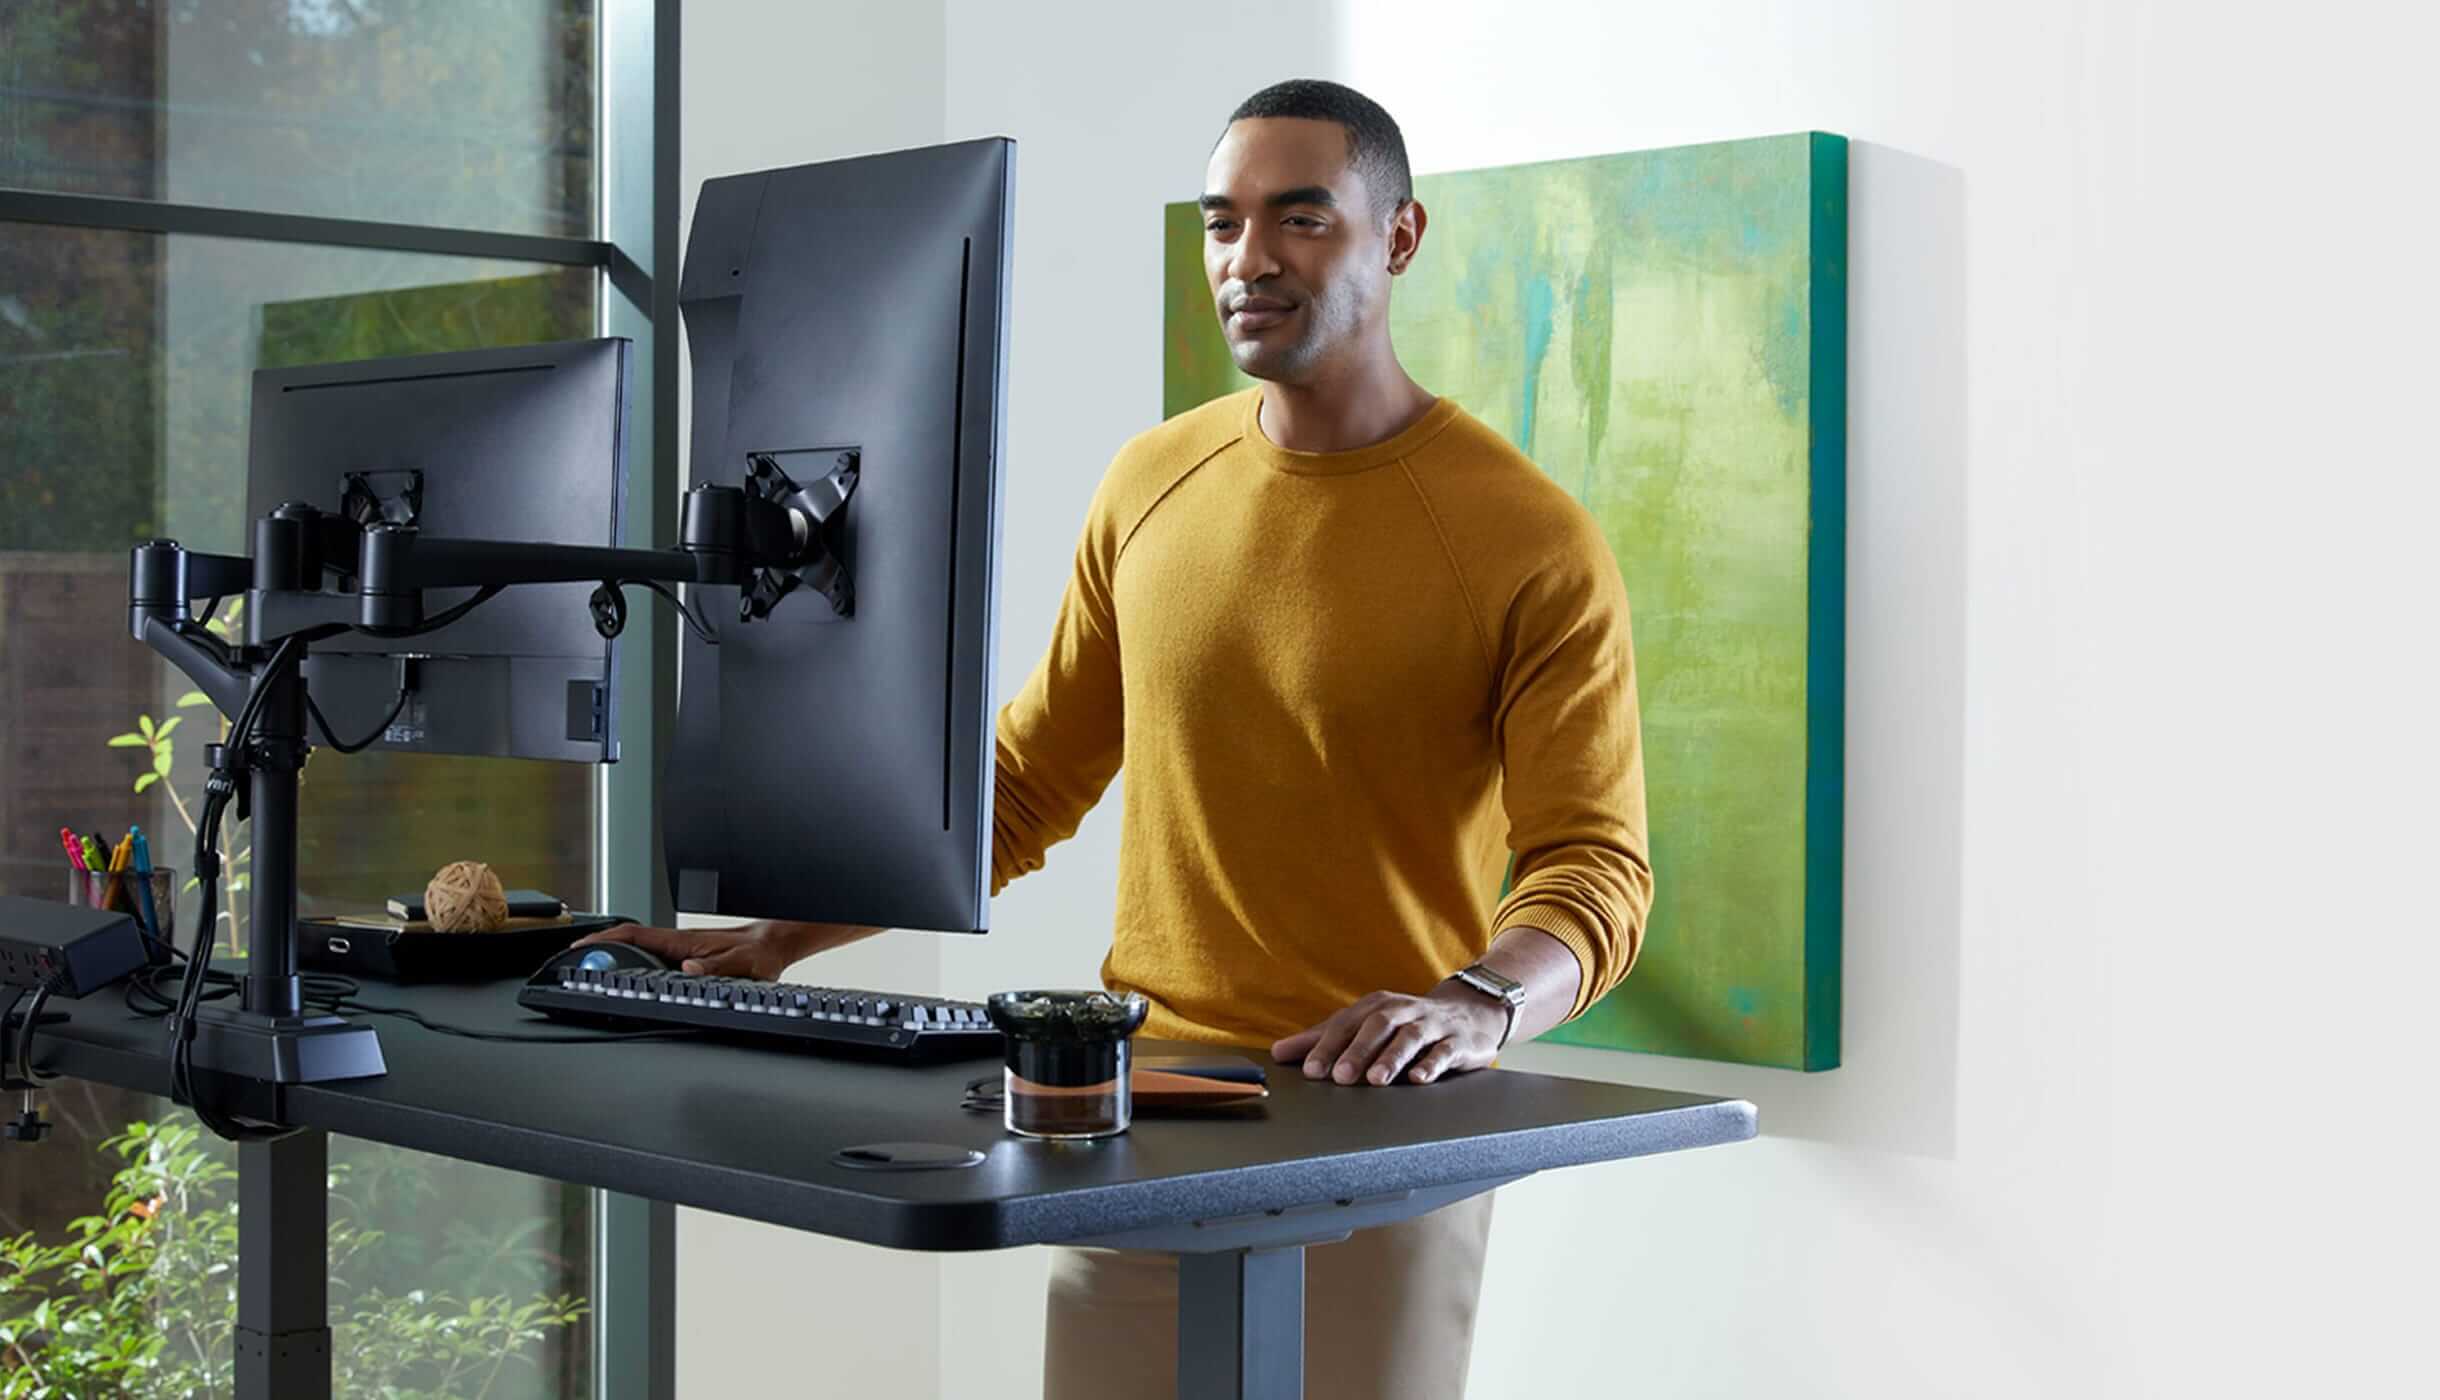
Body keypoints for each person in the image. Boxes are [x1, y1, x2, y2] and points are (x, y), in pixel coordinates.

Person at [582, 78, 1652, 1400]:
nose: (1247, 258)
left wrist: (1478, 1004)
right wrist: (784, 934)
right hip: (1141, 1116)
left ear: (1399, 236)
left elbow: (1595, 871)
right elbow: (1027, 779)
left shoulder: (1527, 538)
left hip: (1382, 1141)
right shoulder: (1152, 480)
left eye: (1299, 218)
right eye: (1223, 222)